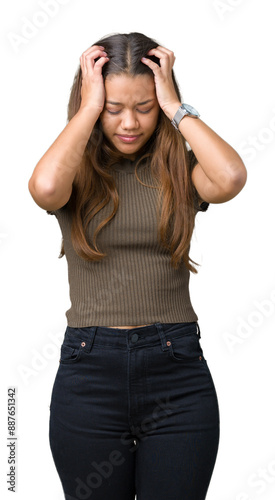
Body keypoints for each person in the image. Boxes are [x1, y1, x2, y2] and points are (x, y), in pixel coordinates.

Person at [28, 32, 247, 500]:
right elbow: (45, 188)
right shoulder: (74, 170)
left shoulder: (179, 170)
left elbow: (229, 177)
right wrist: (88, 111)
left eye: (144, 107)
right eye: (113, 108)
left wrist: (174, 105)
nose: (130, 122)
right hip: (89, 374)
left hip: (177, 372)